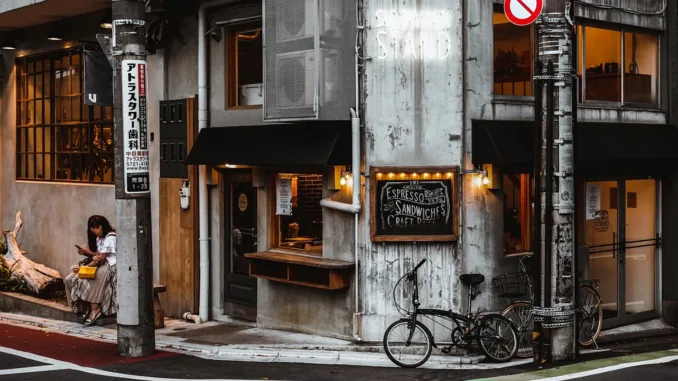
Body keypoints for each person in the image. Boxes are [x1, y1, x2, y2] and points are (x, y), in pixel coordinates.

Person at [67, 215, 117, 325]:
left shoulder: (111, 238)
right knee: (75, 278)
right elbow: (98, 256)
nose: (93, 231)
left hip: (111, 265)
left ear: (100, 227)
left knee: (89, 279)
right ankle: (85, 307)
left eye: (94, 228)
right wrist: (86, 253)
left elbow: (101, 259)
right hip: (101, 264)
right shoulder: (100, 238)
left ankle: (95, 308)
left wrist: (83, 268)